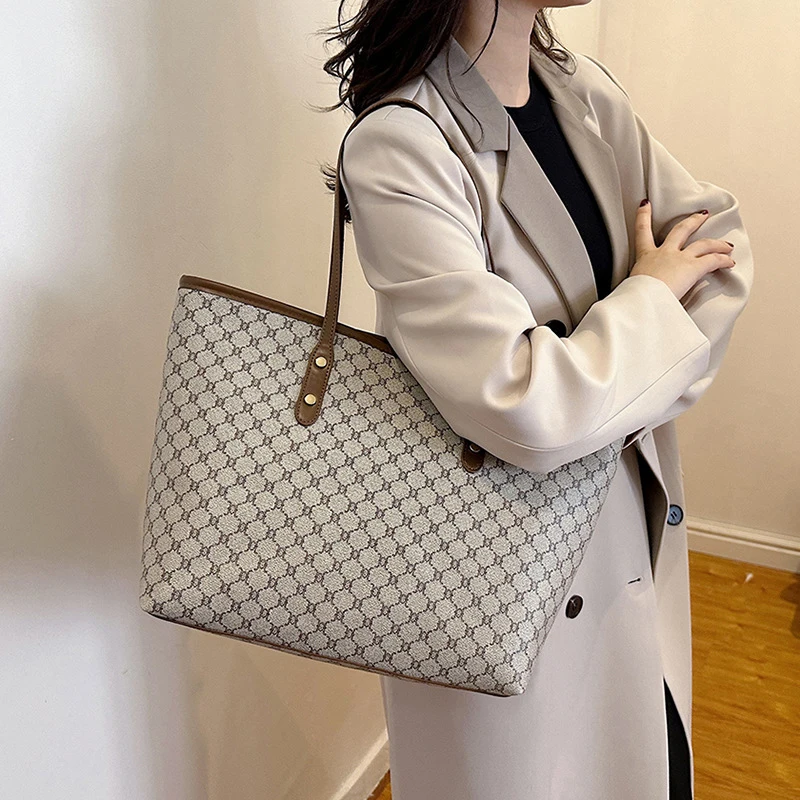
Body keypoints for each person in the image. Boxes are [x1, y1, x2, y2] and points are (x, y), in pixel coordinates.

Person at [318, 1, 753, 798]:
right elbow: (528, 407)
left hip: (627, 547)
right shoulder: (402, 143)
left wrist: (604, 387)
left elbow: (721, 248)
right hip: (497, 585)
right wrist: (652, 303)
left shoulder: (581, 91)